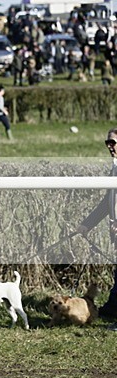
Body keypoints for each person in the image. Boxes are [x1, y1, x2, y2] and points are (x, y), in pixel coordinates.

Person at [76, 129, 117, 324]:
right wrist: (87, 224)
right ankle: (111, 310)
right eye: (107, 142)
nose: (110, 146)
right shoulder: (114, 167)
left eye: (113, 142)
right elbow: (106, 202)